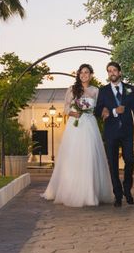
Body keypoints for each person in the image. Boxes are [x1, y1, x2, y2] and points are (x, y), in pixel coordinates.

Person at [41, 64, 114, 207]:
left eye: (87, 72)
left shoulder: (95, 91)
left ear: (91, 75)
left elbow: (99, 108)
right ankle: (70, 190)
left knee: (90, 155)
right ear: (78, 74)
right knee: (72, 156)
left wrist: (104, 111)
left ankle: (90, 192)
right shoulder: (72, 89)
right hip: (75, 124)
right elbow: (66, 108)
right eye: (81, 72)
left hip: (90, 124)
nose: (84, 75)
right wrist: (74, 113)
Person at [94, 61, 134, 207]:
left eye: (114, 70)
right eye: (109, 71)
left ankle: (127, 189)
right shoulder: (103, 91)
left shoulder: (129, 89)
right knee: (113, 164)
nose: (112, 73)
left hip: (128, 132)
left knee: (130, 160)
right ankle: (117, 195)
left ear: (120, 73)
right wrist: (110, 111)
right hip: (111, 132)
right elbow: (97, 110)